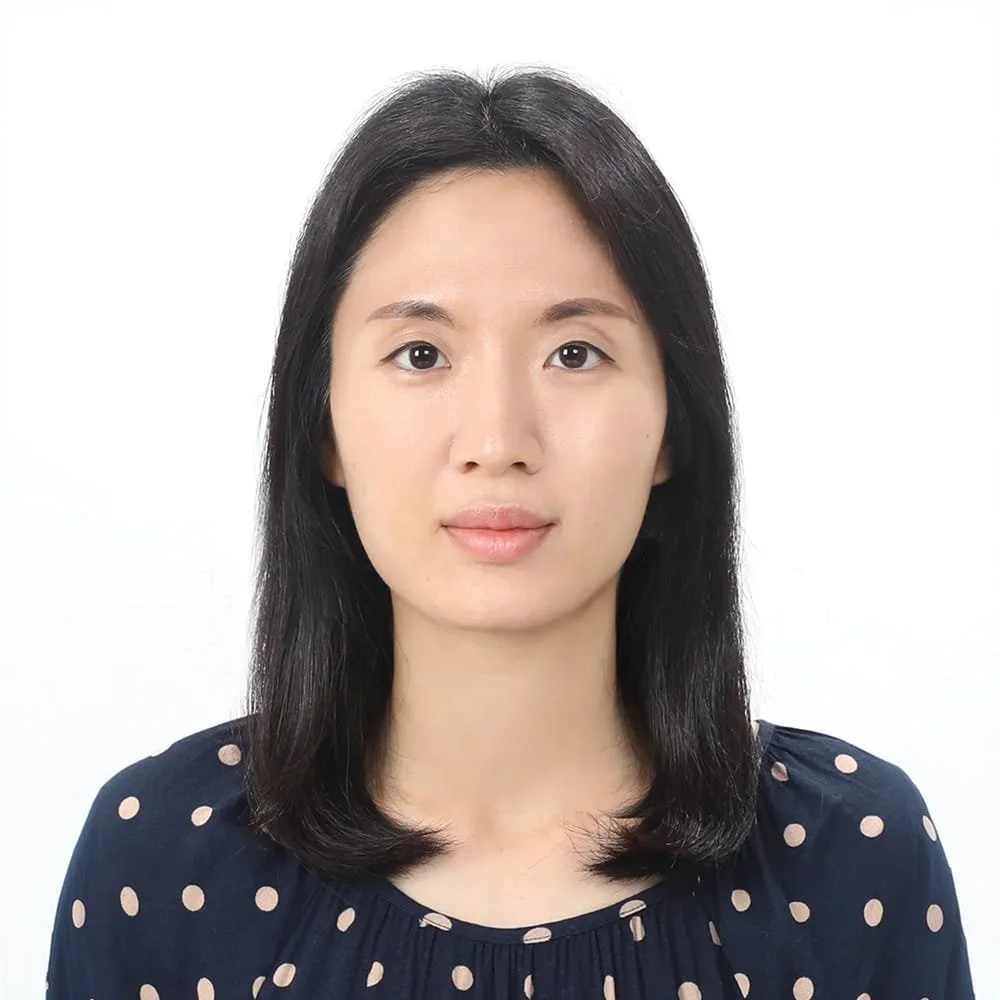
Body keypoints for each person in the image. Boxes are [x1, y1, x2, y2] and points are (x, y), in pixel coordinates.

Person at [44, 66, 976, 999]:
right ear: (322, 426)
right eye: (421, 354)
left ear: (672, 429)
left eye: (575, 353)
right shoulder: (164, 867)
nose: (497, 441)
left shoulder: (850, 862)